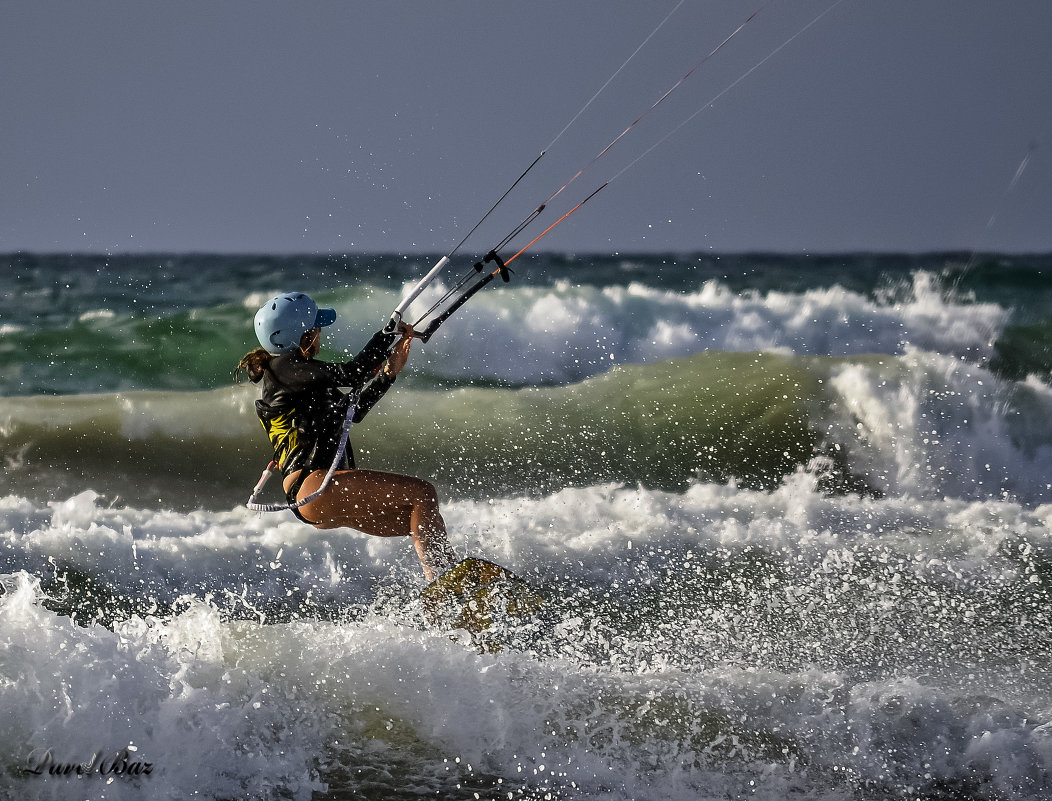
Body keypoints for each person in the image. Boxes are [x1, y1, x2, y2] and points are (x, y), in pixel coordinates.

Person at [236, 292, 457, 581]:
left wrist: (388, 374)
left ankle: (453, 581)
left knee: (418, 519)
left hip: (315, 499)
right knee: (423, 493)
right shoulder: (283, 368)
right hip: (313, 485)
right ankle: (443, 587)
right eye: (316, 328)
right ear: (303, 333)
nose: (320, 335)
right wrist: (385, 334)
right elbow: (352, 373)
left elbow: (351, 412)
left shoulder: (299, 378)